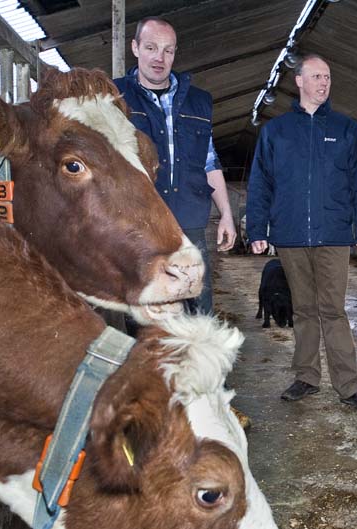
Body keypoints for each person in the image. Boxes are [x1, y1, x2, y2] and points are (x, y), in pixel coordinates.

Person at [245, 54, 357, 412]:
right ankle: (306, 376)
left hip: (334, 234)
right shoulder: (276, 131)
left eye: (328, 77)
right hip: (290, 234)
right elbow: (261, 184)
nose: (324, 83)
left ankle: (349, 385)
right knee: (303, 309)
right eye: (317, 76)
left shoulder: (346, 128)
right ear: (299, 81)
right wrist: (257, 228)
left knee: (333, 309)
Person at [114, 16, 236, 316]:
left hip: (189, 224)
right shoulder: (115, 97)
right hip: (138, 225)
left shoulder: (199, 102)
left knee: (198, 310)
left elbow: (209, 161)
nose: (160, 57)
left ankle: (196, 364)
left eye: (168, 50)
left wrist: (227, 215)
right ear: (135, 48)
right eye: (152, 47)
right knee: (146, 315)